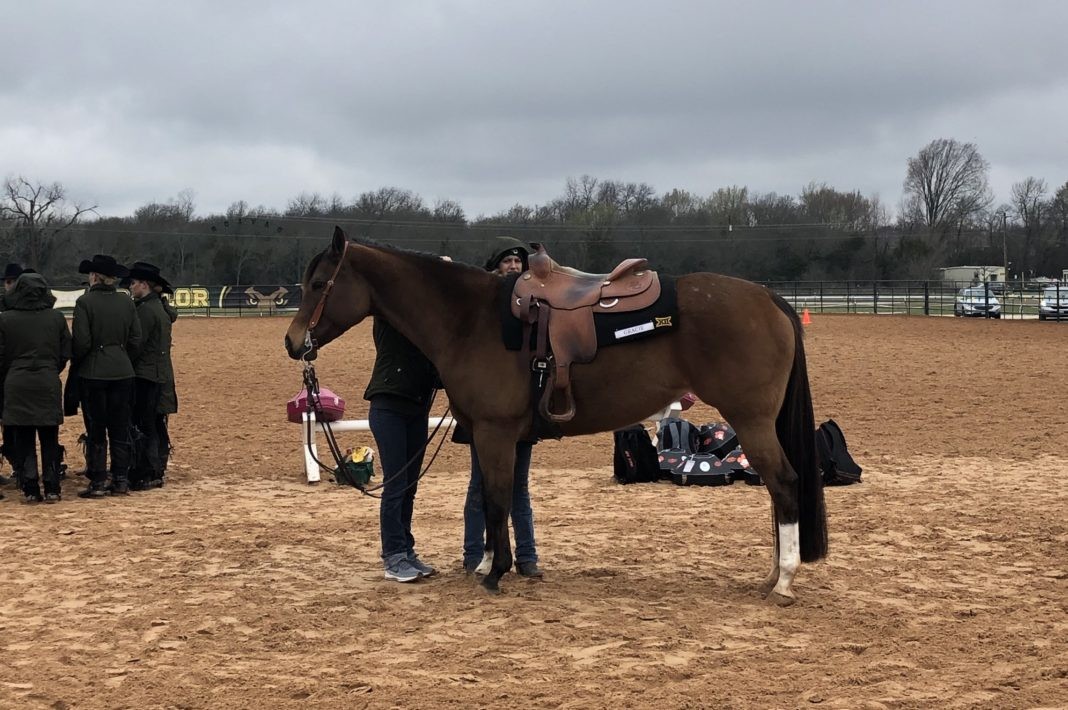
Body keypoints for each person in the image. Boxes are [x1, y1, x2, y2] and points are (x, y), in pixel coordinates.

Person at [460, 237, 543, 578]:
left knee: (518, 488)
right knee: (480, 486)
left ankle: (527, 555)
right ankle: (473, 554)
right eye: (507, 261)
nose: (513, 266)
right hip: (486, 410)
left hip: (520, 409)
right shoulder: (482, 304)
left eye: (518, 261)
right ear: (496, 266)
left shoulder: (536, 304)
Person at [364, 316, 440, 583]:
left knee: (410, 486)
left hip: (416, 410)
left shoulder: (429, 332)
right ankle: (393, 555)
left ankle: (406, 549)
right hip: (389, 408)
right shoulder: (391, 320)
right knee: (396, 484)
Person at [71, 254, 141, 498]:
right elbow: (135, 340)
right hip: (123, 370)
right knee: (120, 426)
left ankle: (98, 479)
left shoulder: (85, 303)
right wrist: (121, 357)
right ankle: (121, 478)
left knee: (96, 426)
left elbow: (82, 342)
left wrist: (82, 363)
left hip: (94, 372)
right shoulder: (126, 302)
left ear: (94, 277)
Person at [0, 272, 72, 502]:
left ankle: (30, 486)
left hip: (17, 381)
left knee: (24, 436)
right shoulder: (56, 318)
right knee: (49, 436)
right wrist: (50, 369)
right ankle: (52, 486)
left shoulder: (6, 319)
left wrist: (12, 372)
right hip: (47, 380)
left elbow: (2, 356)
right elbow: (64, 353)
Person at [126, 263, 173, 491]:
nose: (131, 287)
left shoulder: (145, 311)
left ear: (144, 285)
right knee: (155, 422)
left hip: (145, 374)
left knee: (145, 423)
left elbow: (137, 344)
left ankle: (146, 470)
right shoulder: (159, 308)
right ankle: (156, 467)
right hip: (158, 372)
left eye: (133, 283)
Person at [0, 262, 25, 489]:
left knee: (16, 425)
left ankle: (20, 464)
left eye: (12, 282)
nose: (9, 286)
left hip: (16, 375)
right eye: (7, 282)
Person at [156, 283, 179, 482]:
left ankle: (154, 463)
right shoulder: (165, 312)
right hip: (163, 371)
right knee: (160, 420)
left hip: (151, 372)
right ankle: (160, 460)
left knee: (150, 420)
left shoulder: (151, 311)